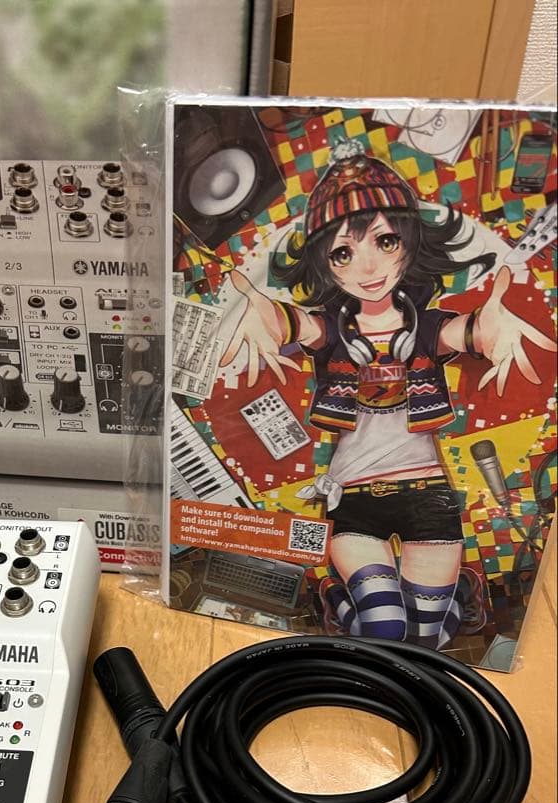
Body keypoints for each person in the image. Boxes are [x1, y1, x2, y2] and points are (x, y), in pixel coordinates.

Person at [218, 139, 555, 649]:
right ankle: (346, 599)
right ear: (325, 264)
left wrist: (492, 327)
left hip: (427, 498)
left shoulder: (426, 328)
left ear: (410, 243)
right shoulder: (333, 331)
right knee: (384, 630)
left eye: (386, 242)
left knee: (425, 643)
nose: (368, 268)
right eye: (343, 253)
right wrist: (262, 314)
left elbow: (465, 332)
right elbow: (296, 323)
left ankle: (448, 595)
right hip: (353, 500)